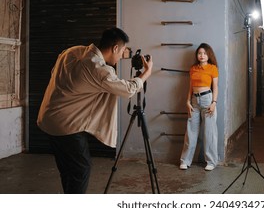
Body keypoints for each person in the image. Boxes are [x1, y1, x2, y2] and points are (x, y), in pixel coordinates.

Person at [37, 27, 153, 194]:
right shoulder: (98, 70)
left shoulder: (72, 51)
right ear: (114, 48)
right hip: (67, 127)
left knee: (68, 170)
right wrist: (146, 73)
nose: (121, 57)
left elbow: (56, 73)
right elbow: (127, 89)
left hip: (48, 120)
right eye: (121, 52)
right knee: (81, 170)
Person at [179, 43, 219, 171]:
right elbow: (190, 87)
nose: (202, 56)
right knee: (191, 132)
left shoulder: (212, 68)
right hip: (194, 101)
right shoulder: (193, 68)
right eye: (200, 53)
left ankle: (211, 161)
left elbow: (215, 87)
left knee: (209, 132)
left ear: (209, 55)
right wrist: (187, 101)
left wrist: (214, 102)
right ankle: (185, 160)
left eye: (204, 53)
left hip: (208, 100)